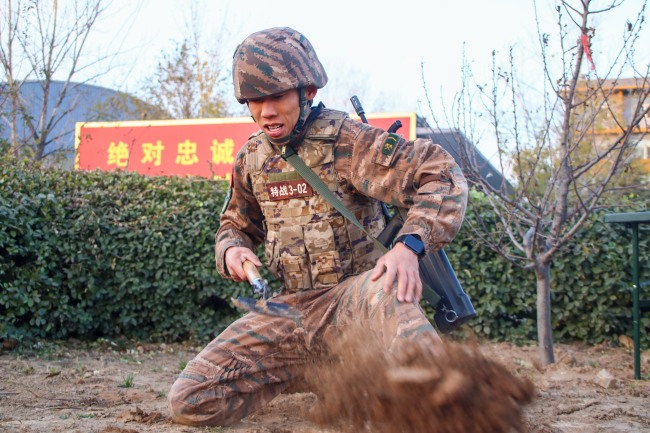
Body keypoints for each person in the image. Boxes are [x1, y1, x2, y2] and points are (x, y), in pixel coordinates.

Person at [168, 26, 468, 427]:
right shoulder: (252, 158)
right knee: (190, 399)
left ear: (305, 91)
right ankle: (336, 378)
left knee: (390, 288)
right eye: (255, 100)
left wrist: (408, 247)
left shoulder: (347, 141)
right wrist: (232, 250)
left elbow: (441, 174)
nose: (266, 111)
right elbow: (235, 224)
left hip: (359, 301)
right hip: (291, 312)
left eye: (275, 96)